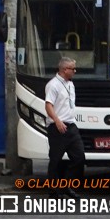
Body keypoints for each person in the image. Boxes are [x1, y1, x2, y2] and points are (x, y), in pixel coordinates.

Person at [45, 57, 85, 199]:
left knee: (79, 157)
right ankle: (54, 191)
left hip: (71, 126)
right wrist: (57, 121)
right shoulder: (53, 85)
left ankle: (66, 185)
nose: (75, 71)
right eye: (73, 69)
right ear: (64, 70)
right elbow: (48, 105)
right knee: (55, 159)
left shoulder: (70, 84)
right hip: (57, 127)